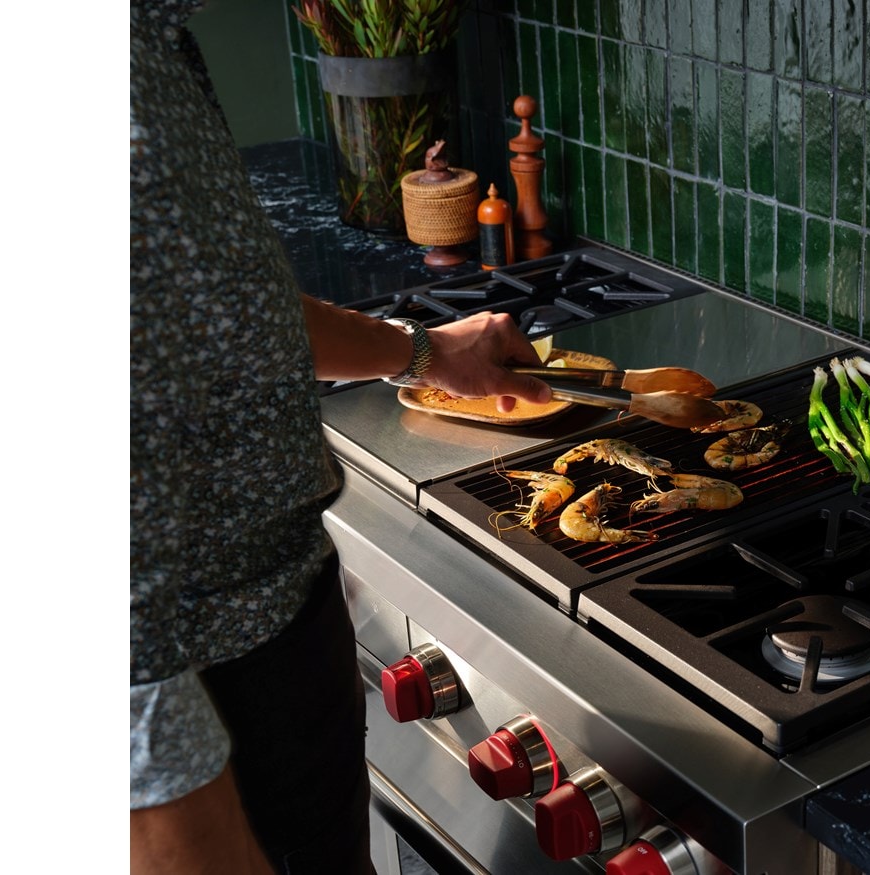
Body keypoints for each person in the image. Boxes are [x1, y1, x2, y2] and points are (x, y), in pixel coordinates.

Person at [130, 2, 551, 872]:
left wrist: (427, 350)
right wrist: (163, 810)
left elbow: (223, 314)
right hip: (199, 703)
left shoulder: (147, 42)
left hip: (270, 637)